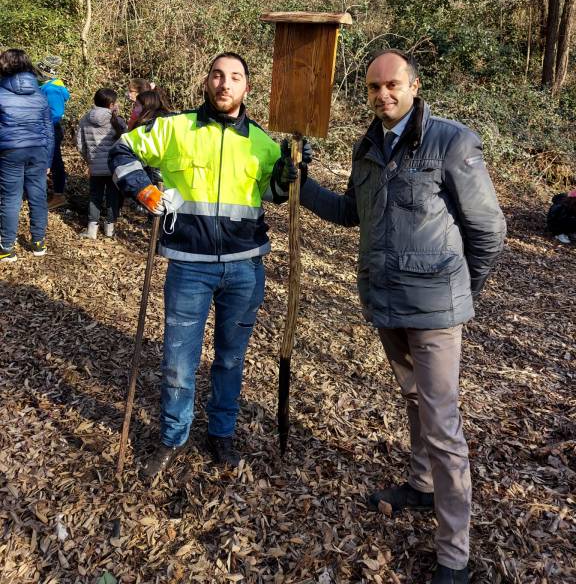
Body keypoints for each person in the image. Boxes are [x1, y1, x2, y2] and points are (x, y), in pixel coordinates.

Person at [300, 49, 506, 584]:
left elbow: (488, 229)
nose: (382, 95)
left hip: (434, 308)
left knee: (443, 426)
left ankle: (454, 557)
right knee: (413, 399)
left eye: (392, 85)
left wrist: (462, 290)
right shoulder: (367, 145)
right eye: (372, 87)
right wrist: (302, 185)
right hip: (385, 302)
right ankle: (420, 485)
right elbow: (352, 213)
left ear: (414, 85)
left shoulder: (451, 142)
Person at [109, 52, 309, 477]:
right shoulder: (175, 128)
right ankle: (172, 437)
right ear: (206, 81)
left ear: (246, 88)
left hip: (244, 269)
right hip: (188, 266)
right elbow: (122, 149)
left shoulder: (262, 141)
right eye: (218, 75)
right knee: (178, 362)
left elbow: (275, 192)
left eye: (235, 77)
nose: (225, 84)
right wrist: (144, 191)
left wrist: (291, 173)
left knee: (230, 360)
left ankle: (221, 434)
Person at [0, 49, 54, 261]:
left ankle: (6, 248)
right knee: (38, 196)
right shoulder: (40, 94)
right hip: (38, 150)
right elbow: (48, 129)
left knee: (11, 199)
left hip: (10, 151)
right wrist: (48, 159)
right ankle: (39, 243)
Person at [76, 88, 126, 239]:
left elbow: (79, 145)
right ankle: (110, 228)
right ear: (111, 104)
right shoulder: (117, 121)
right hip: (113, 167)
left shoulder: (85, 119)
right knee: (113, 197)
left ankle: (92, 230)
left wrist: (89, 160)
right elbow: (126, 142)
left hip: (95, 166)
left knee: (95, 196)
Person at [37, 55, 71, 209]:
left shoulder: (52, 89)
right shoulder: (50, 86)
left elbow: (55, 113)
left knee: (53, 161)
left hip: (49, 128)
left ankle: (58, 194)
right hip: (48, 128)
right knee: (51, 160)